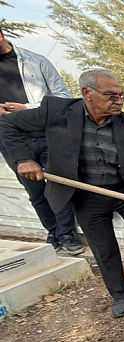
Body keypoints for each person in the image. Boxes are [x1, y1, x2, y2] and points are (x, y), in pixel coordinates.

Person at [0, 69, 124, 318]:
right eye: (111, 96)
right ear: (86, 93)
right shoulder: (57, 112)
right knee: (104, 248)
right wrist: (23, 159)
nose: (119, 102)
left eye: (121, 96)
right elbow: (7, 124)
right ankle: (121, 295)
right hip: (86, 195)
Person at [0, 27, 83, 255]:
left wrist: (26, 108)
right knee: (33, 188)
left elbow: (63, 97)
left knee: (58, 183)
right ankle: (53, 230)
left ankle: (67, 234)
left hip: (45, 131)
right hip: (10, 139)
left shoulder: (35, 61)